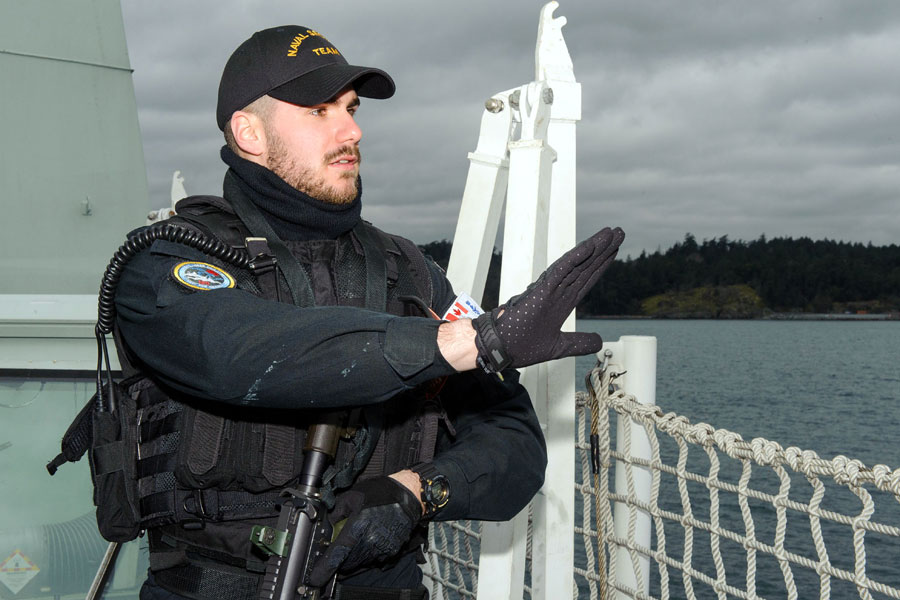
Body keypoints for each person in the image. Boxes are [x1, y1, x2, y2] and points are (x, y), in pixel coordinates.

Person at [113, 25, 625, 600]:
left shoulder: (411, 275)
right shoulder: (167, 260)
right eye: (319, 111)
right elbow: (237, 351)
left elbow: (516, 444)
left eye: (351, 109)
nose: (351, 129)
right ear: (249, 132)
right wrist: (462, 344)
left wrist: (416, 491)